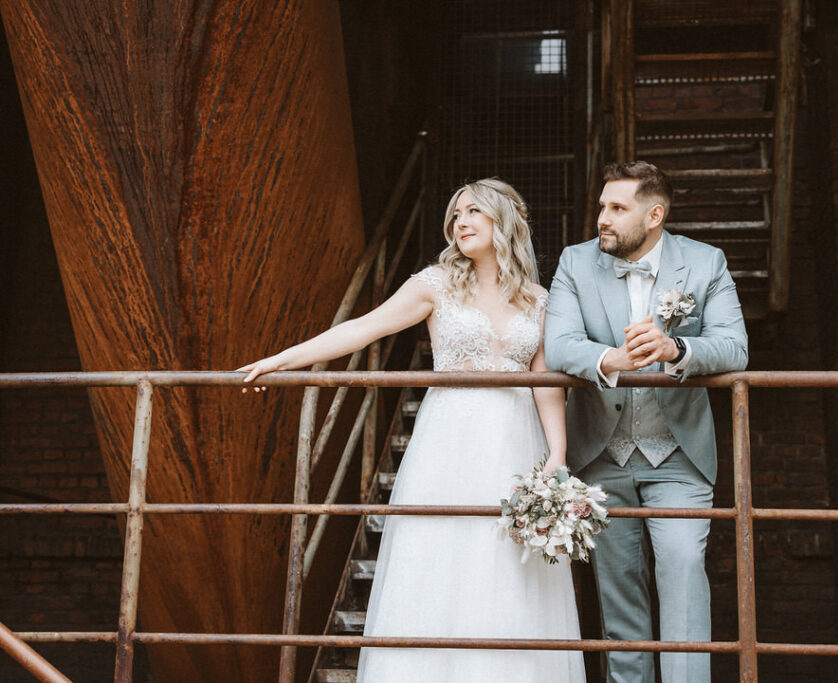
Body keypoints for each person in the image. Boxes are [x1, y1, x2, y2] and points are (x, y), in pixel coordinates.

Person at [238, 178, 585, 682]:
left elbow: (545, 381)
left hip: (514, 442)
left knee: (507, 566)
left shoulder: (537, 298)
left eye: (472, 212)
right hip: (449, 440)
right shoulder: (435, 284)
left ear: (502, 220)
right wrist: (283, 360)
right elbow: (363, 327)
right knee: (440, 554)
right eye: (456, 214)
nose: (460, 222)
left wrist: (557, 453)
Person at [544, 161, 748, 683]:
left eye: (617, 209)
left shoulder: (706, 263)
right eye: (601, 208)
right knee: (619, 596)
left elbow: (734, 347)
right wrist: (611, 360)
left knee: (682, 575)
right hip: (602, 457)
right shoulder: (574, 263)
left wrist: (677, 347)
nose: (602, 220)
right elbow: (560, 346)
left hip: (678, 459)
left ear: (654, 214)